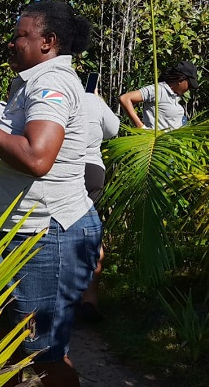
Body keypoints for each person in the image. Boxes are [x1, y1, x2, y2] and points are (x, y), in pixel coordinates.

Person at [0, 0, 99, 386]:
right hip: (21, 232)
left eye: (20, 36)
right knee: (7, 343)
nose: (12, 43)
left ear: (47, 41)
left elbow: (37, 158)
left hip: (47, 236)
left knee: (44, 355)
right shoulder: (31, 81)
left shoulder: (51, 82)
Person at [78, 93, 120, 322]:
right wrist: (99, 101)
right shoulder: (92, 99)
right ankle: (90, 299)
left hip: (62, 167)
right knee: (90, 228)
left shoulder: (49, 92)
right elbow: (113, 130)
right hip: (92, 168)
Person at [119, 61, 198, 131]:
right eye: (189, 85)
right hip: (156, 143)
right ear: (180, 80)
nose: (189, 88)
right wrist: (141, 128)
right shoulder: (158, 90)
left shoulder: (175, 96)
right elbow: (125, 98)